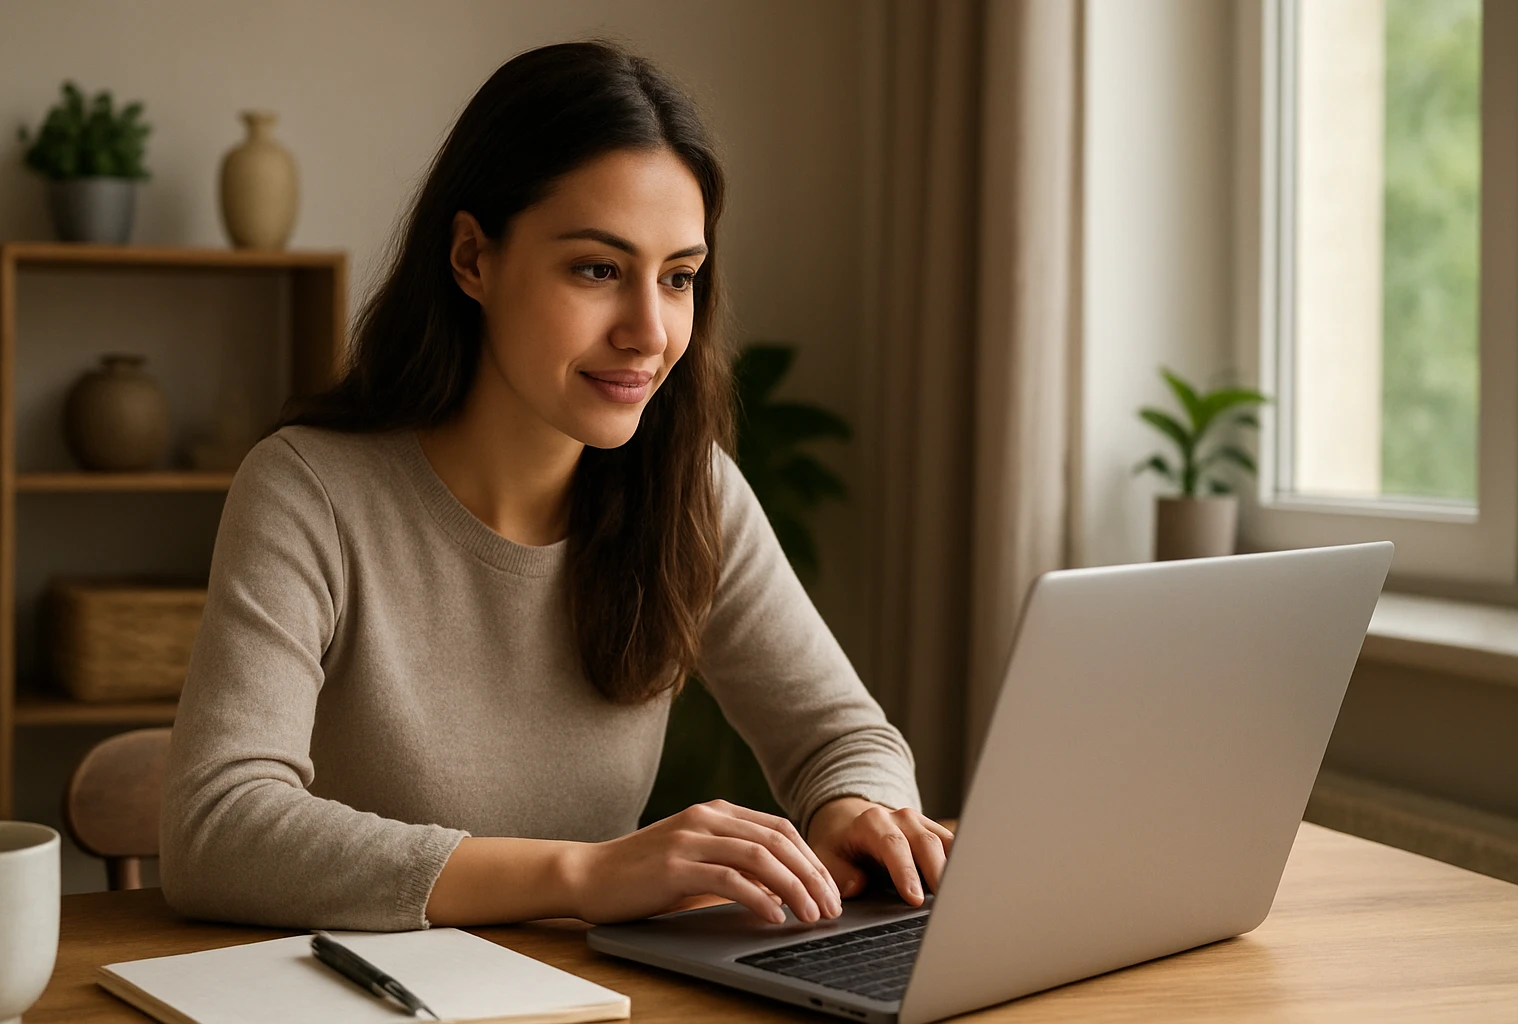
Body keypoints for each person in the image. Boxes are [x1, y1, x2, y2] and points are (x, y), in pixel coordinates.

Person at [160, 40, 950, 932]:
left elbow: (843, 738)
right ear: (472, 260)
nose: (649, 332)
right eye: (598, 270)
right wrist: (583, 877)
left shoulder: (688, 487)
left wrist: (856, 808)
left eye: (679, 277)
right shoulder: (310, 491)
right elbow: (216, 828)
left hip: (591, 995)